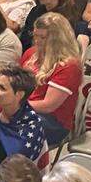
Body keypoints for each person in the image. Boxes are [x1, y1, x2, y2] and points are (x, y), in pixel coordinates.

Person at [20, 13, 83, 146]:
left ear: (58, 39)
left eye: (43, 37)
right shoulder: (30, 53)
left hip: (52, 121)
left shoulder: (69, 66)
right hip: (23, 108)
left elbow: (48, 105)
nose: (37, 41)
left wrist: (13, 105)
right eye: (35, 35)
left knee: (9, 128)